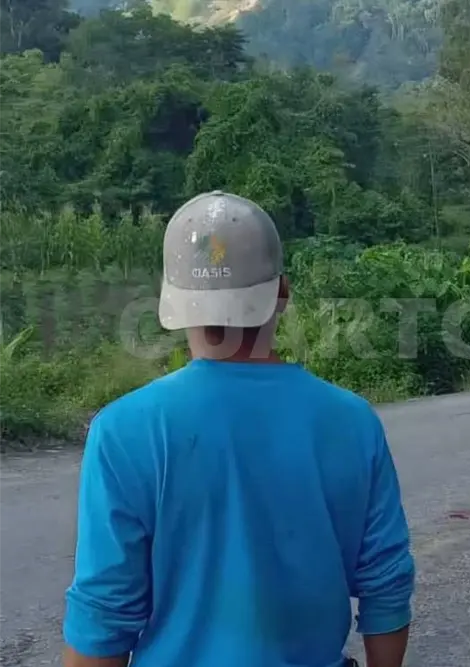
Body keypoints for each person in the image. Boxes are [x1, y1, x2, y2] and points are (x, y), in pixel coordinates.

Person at [61, 191, 415, 667]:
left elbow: (104, 617)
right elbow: (386, 585)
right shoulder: (352, 421)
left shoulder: (124, 430)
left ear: (172, 301)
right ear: (282, 293)